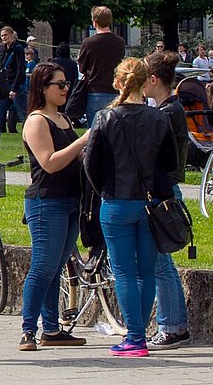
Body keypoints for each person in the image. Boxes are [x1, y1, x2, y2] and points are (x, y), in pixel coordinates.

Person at [83, 56, 177, 357]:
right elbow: (170, 165)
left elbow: (91, 164)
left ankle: (135, 336)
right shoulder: (159, 118)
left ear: (118, 82)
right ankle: (140, 335)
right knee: (146, 272)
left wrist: (105, 192)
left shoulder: (105, 117)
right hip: (149, 203)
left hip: (116, 200)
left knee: (123, 272)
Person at [18, 60, 89, 352]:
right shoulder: (37, 121)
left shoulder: (63, 119)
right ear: (42, 87)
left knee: (56, 268)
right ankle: (27, 329)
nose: (65, 89)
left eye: (66, 84)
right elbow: (49, 162)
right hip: (46, 201)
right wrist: (82, 141)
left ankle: (51, 328)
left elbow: (75, 159)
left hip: (71, 200)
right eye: (59, 84)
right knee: (43, 267)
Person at [139, 52, 191, 350]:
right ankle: (176, 325)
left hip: (163, 192)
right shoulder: (169, 108)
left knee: (160, 264)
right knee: (164, 264)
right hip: (165, 189)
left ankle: (171, 327)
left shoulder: (167, 113)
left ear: (153, 80)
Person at [77, 5, 126, 122]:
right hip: (115, 90)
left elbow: (82, 69)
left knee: (94, 132)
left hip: (95, 91)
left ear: (94, 22)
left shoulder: (88, 43)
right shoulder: (120, 42)